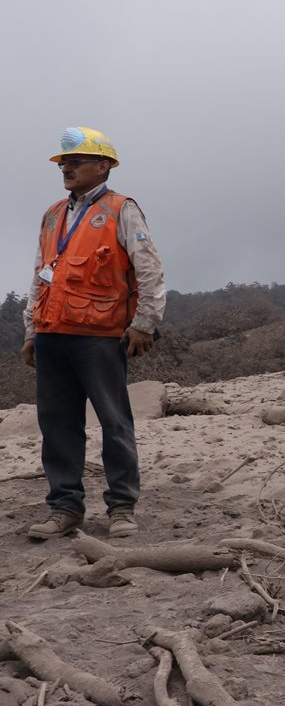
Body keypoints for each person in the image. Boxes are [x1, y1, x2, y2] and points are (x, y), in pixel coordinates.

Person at [22, 127, 166, 540]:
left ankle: (122, 507)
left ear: (103, 166)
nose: (66, 168)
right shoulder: (53, 214)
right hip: (52, 333)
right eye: (63, 162)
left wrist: (145, 323)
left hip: (99, 335)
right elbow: (39, 273)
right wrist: (31, 328)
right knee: (57, 425)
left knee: (114, 421)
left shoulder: (122, 209)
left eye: (75, 161)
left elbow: (149, 268)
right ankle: (65, 508)